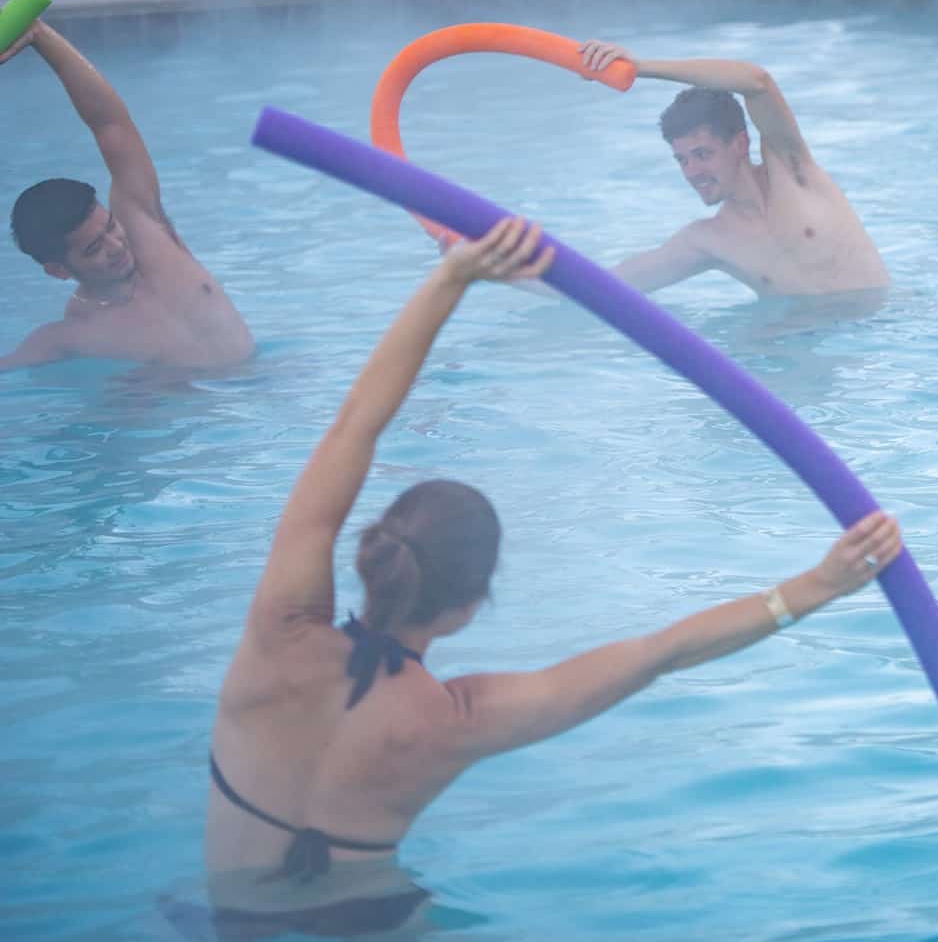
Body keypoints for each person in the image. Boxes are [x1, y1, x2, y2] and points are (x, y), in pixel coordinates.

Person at [204, 217, 901, 928]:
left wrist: (449, 280)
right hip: (369, 921)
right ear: (470, 607)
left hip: (224, 919)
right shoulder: (456, 722)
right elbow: (659, 652)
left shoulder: (277, 630)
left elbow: (354, 426)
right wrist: (819, 585)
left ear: (373, 551)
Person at [2, 17, 253, 371]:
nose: (117, 246)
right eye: (93, 248)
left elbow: (110, 124)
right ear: (59, 270)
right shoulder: (73, 335)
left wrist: (41, 37)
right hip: (196, 420)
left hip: (270, 385)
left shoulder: (148, 231)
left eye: (110, 227)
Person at [576, 42, 890, 298]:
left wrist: (641, 67)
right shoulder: (709, 240)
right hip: (802, 349)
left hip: (881, 336)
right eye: (682, 160)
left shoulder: (792, 170)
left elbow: (757, 82)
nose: (692, 172)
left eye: (702, 154)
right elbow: (601, 286)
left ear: (739, 144)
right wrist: (530, 265)